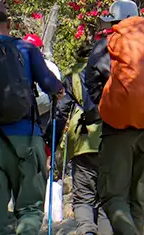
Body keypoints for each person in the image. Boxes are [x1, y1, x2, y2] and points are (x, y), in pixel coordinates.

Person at [0, 0, 63, 235]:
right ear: (9, 23)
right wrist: (60, 89)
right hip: (26, 138)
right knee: (29, 210)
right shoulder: (27, 50)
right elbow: (50, 84)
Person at [84, 0, 144, 235]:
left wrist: (107, 105)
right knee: (139, 200)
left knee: (112, 196)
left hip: (119, 130)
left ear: (114, 22)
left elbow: (92, 82)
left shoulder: (108, 43)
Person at [55, 69, 109, 235]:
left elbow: (62, 109)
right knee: (107, 198)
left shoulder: (74, 76)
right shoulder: (113, 68)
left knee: (84, 197)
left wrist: (53, 140)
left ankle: (87, 231)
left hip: (82, 140)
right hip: (111, 138)